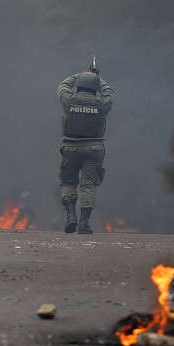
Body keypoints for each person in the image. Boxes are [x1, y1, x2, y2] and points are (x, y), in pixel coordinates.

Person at [57, 57, 115, 234]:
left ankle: (70, 216)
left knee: (68, 181)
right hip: (93, 150)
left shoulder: (69, 100)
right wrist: (97, 78)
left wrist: (81, 74)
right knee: (88, 185)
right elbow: (109, 92)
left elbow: (62, 86)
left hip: (70, 149)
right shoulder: (102, 104)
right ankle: (84, 223)